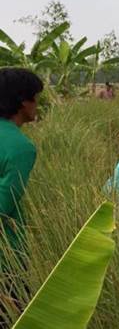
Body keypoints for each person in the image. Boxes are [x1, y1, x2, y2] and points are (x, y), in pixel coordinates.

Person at [0, 68, 44, 323]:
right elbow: (4, 207)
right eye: (35, 98)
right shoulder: (21, 147)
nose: (36, 105)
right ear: (22, 102)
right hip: (7, 262)